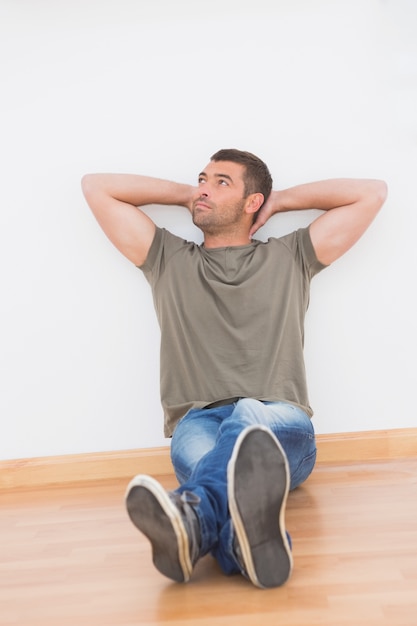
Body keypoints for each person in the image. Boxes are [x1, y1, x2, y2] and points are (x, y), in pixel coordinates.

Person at [81, 149, 387, 588]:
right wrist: (188, 194)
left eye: (221, 182)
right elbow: (97, 186)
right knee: (216, 459)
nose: (205, 186)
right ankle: (241, 544)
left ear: (252, 203)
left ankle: (192, 520)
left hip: (281, 424)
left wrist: (278, 200)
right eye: (202, 178)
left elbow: (371, 193)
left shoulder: (292, 256)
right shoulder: (168, 259)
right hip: (198, 422)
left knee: (249, 415)